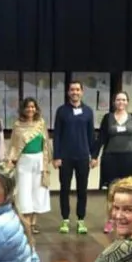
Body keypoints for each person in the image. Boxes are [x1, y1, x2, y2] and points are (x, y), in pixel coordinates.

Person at [94, 91, 132, 233]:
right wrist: (94, 156)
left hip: (130, 159)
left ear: (127, 102)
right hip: (111, 159)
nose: (121, 102)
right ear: (114, 102)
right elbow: (101, 138)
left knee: (131, 192)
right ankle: (111, 221)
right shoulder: (108, 118)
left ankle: (130, 222)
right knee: (112, 192)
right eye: (118, 100)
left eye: (123, 100)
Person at [52, 81, 97, 235]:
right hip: (65, 157)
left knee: (82, 189)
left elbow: (91, 135)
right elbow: (57, 135)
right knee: (64, 189)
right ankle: (65, 219)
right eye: (72, 90)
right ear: (68, 92)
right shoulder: (61, 111)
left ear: (82, 92)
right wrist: (56, 156)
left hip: (83, 156)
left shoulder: (88, 111)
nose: (75, 92)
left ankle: (80, 219)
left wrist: (94, 155)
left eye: (77, 89)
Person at [7, 97, 52, 235]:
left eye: (33, 107)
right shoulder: (18, 125)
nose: (30, 109)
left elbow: (46, 143)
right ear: (23, 109)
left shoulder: (41, 123)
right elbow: (14, 145)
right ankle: (25, 222)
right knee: (24, 191)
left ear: (36, 109)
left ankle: (33, 223)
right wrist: (10, 160)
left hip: (39, 160)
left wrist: (48, 160)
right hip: (23, 161)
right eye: (28, 107)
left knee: (37, 190)